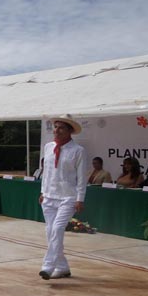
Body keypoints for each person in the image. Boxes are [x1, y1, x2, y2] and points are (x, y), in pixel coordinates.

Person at [38, 115, 86, 280]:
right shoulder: (48, 147)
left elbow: (82, 177)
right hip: (49, 196)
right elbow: (46, 172)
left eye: (61, 128)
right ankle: (62, 267)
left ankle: (48, 266)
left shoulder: (78, 150)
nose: (56, 130)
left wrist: (80, 198)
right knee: (50, 231)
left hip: (68, 197)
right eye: (55, 127)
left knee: (58, 229)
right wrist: (43, 192)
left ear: (69, 131)